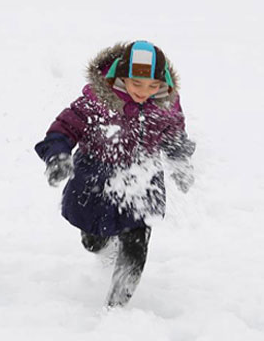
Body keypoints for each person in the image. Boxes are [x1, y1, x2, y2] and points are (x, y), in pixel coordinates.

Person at [35, 41, 195, 308]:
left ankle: (118, 307)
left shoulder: (166, 104)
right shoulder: (98, 100)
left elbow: (174, 136)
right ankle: (102, 245)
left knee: (136, 240)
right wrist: (57, 154)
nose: (145, 92)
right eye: (137, 84)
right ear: (121, 77)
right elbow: (65, 126)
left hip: (142, 177)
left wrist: (180, 162)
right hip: (96, 175)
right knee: (93, 241)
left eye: (153, 86)